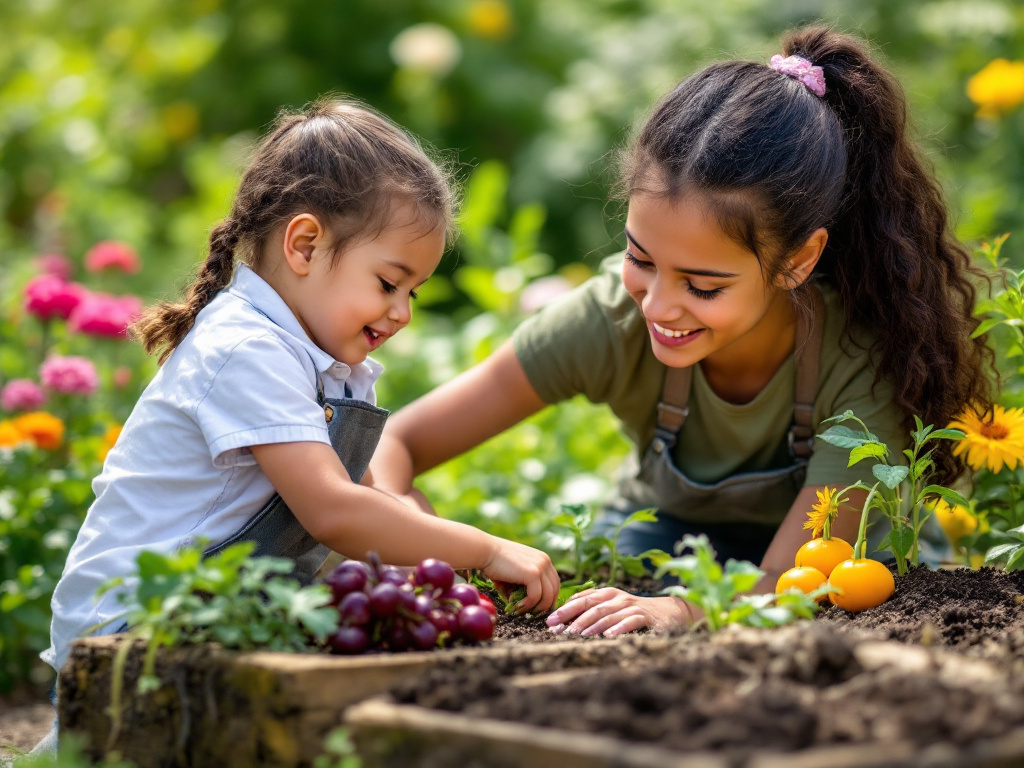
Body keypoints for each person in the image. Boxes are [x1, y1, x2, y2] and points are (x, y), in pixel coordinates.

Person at [370, 26, 993, 638]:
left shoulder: (861, 356)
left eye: (703, 286)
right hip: (671, 534)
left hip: (830, 562)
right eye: (641, 259)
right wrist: (418, 533)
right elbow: (397, 442)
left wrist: (684, 611)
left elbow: (798, 578)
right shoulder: (610, 316)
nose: (659, 307)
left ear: (797, 261)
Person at [34, 98, 559, 753]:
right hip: (130, 632)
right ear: (305, 244)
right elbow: (333, 510)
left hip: (207, 614)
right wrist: (481, 549)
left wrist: (439, 571)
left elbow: (375, 500)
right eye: (389, 283)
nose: (401, 312)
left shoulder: (317, 358)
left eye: (414, 293)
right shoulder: (245, 350)